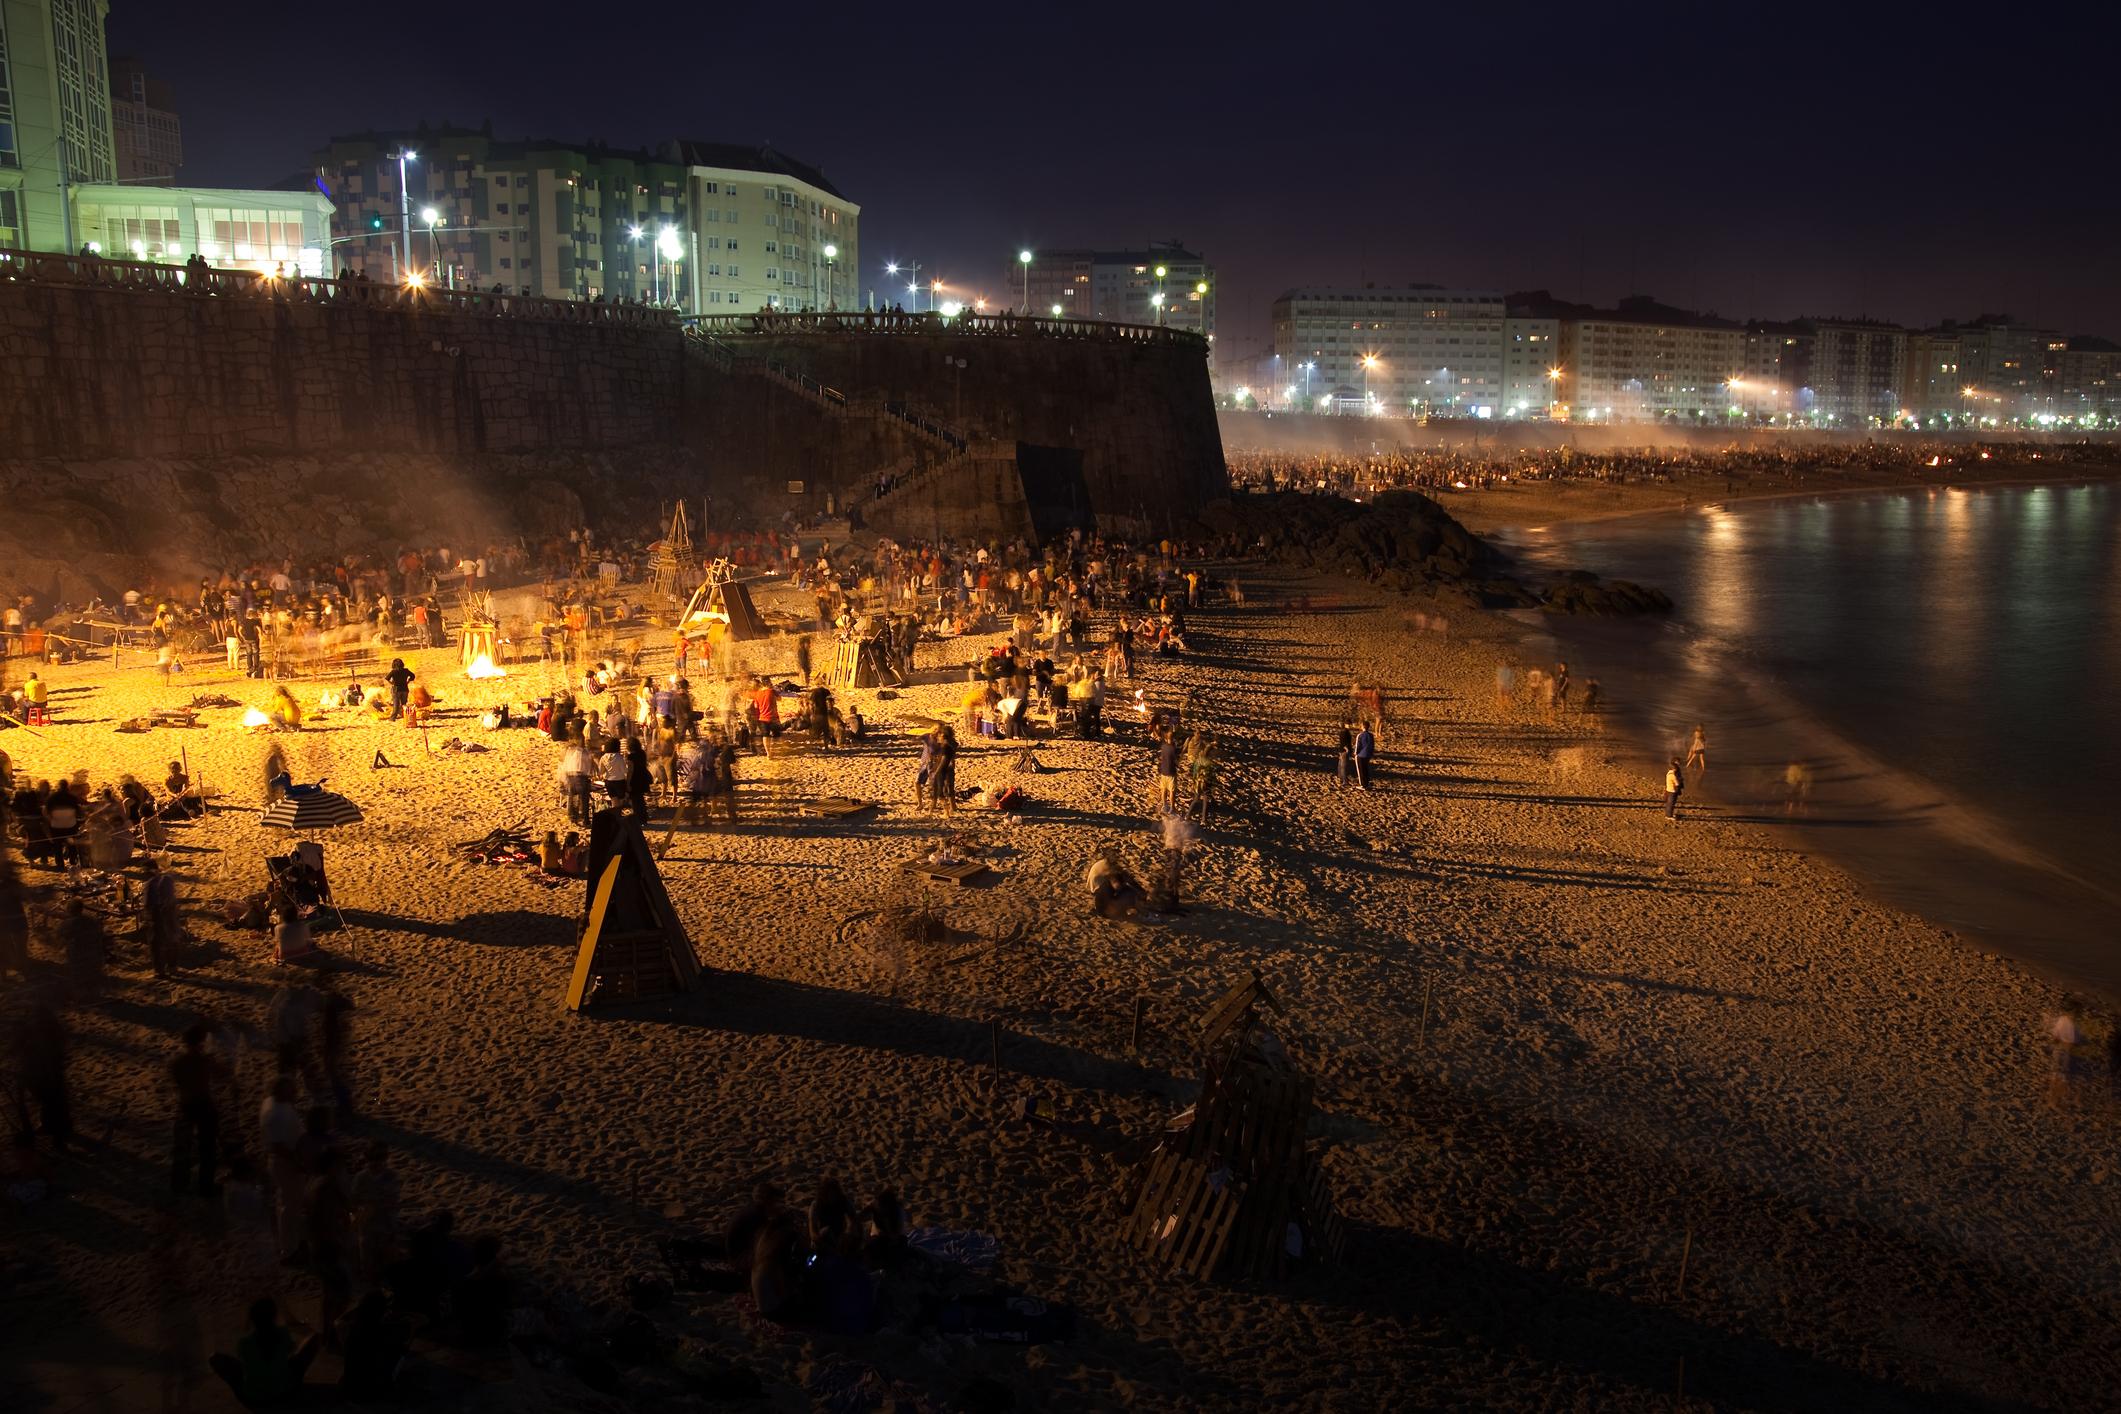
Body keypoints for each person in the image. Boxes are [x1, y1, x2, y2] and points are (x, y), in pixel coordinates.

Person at [210, 1297, 321, 1408]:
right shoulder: (282, 1334)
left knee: (215, 1358)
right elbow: (291, 1352)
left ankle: (250, 1388)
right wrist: (291, 1322)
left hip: (253, 1398)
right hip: (287, 1392)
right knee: (313, 1339)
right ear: (273, 1317)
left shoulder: (245, 1342)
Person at [168, 1022, 229, 1197]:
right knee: (207, 1148)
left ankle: (178, 1185)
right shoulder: (204, 1060)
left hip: (185, 1104)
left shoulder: (177, 1062)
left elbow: (177, 1082)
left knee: (182, 1149)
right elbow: (223, 1073)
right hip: (204, 1104)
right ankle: (205, 1186)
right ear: (201, 1041)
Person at [144, 855, 181, 977]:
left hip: (158, 914)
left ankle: (160, 970)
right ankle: (172, 967)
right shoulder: (167, 879)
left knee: (156, 943)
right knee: (172, 940)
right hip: (169, 913)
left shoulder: (150, 884)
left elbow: (148, 904)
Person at [1352, 723, 1376, 791]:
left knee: (1360, 770)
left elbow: (1358, 745)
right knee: (1366, 769)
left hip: (1360, 755)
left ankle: (1362, 784)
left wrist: (1355, 753)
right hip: (1368, 755)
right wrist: (1371, 753)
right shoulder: (1371, 735)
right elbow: (1372, 745)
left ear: (1362, 727)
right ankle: (1366, 783)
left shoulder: (1360, 735)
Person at [1664, 757, 1684, 822]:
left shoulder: (1668, 773)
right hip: (1672, 791)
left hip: (1668, 789)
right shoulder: (1673, 775)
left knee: (1669, 804)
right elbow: (1677, 783)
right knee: (1671, 804)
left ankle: (1669, 815)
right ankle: (1669, 816)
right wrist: (1680, 782)